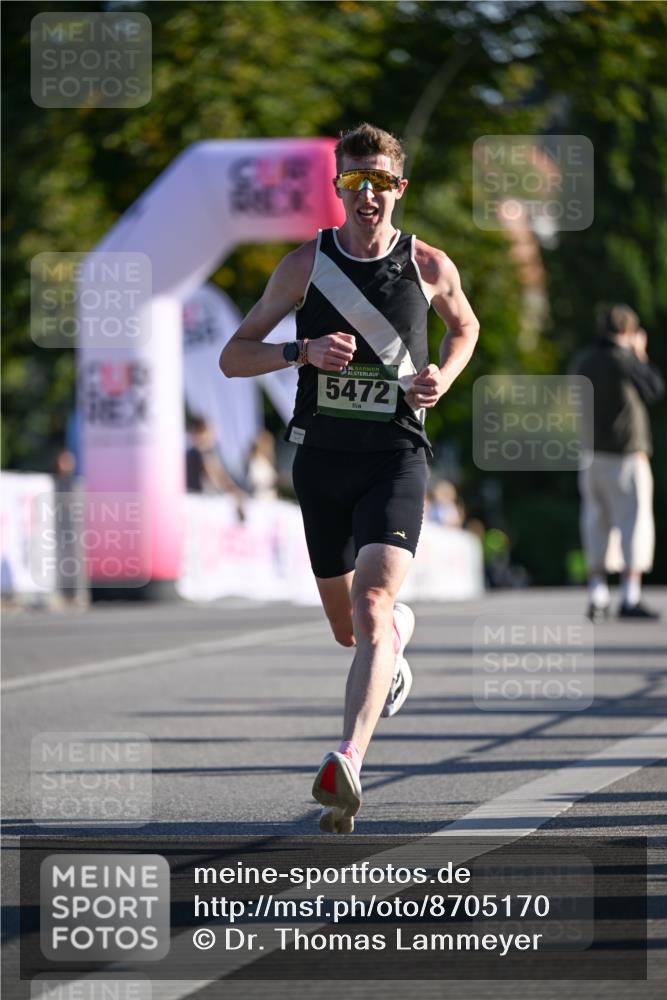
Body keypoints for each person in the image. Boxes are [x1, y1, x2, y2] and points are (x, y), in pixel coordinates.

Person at [220, 122, 479, 832]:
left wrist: (442, 379)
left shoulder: (427, 266)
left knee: (368, 606)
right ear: (338, 188)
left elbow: (466, 327)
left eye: (379, 182)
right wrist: (299, 350)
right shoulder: (304, 265)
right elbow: (232, 357)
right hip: (321, 462)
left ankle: (349, 762)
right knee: (350, 629)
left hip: (395, 457)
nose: (367, 195)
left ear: (400, 187)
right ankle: (393, 643)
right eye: (353, 182)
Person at [571, 304, 664, 621]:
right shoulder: (625, 360)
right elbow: (654, 389)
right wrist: (641, 355)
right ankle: (629, 596)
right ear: (628, 331)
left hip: (590, 455)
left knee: (596, 524)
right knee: (632, 525)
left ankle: (597, 594)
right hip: (627, 454)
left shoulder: (583, 360)